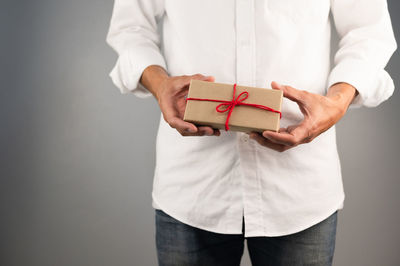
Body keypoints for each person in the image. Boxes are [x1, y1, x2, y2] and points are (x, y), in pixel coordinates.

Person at [106, 1, 397, 265]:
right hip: (192, 186)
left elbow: (368, 31)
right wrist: (159, 84)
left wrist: (336, 102)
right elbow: (130, 28)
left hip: (299, 189)